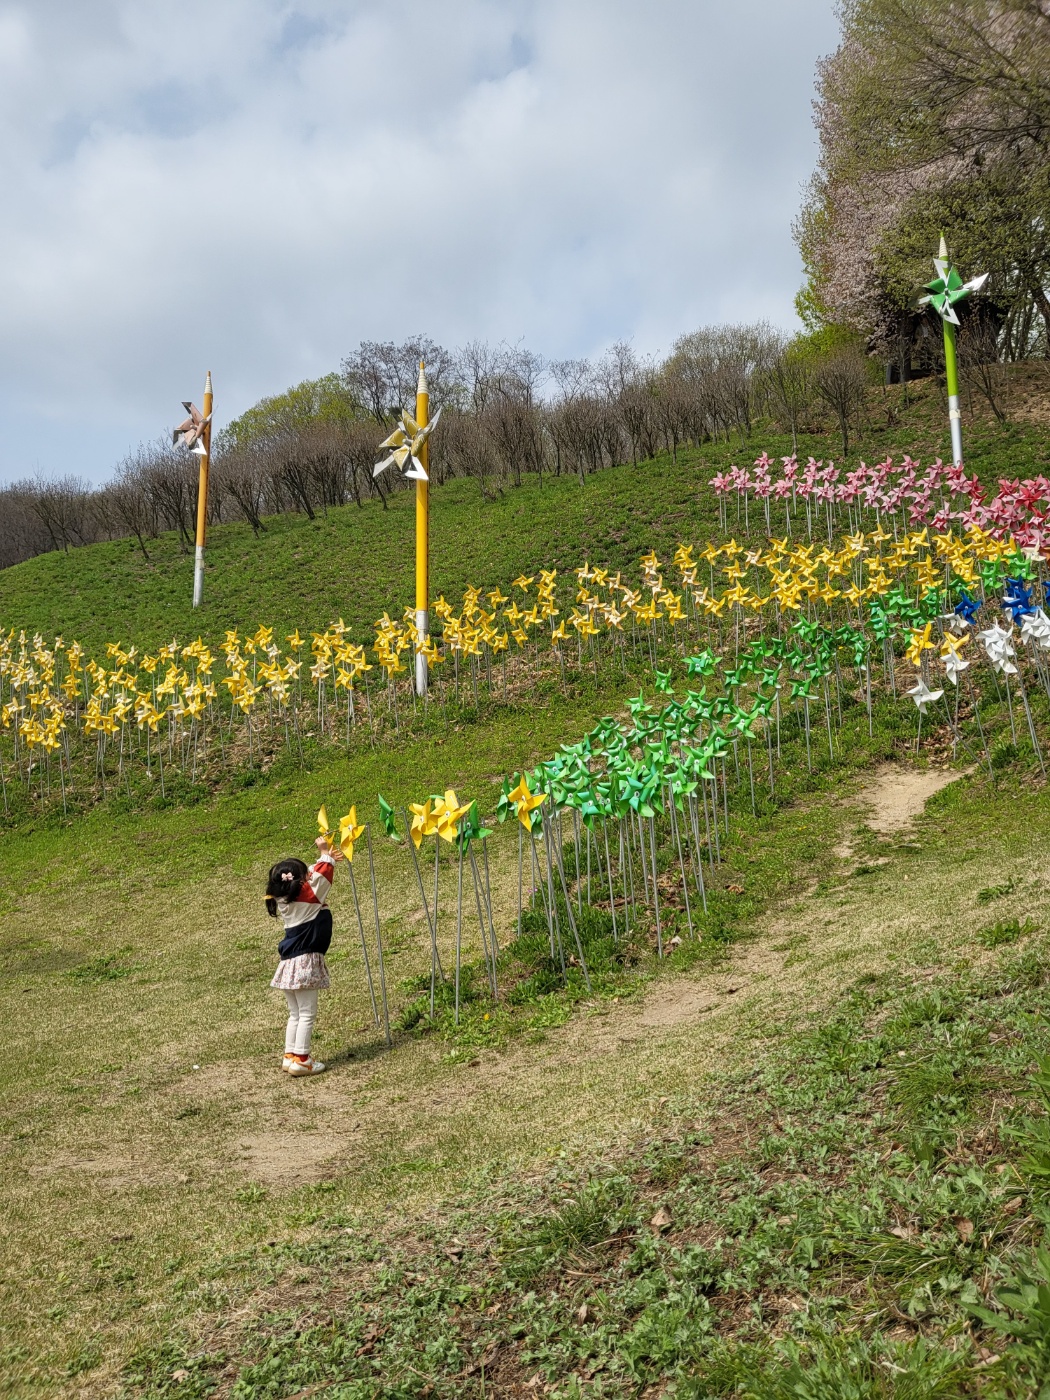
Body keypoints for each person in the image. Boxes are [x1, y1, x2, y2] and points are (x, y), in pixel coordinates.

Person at [265, 837, 340, 1077]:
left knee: (295, 1013)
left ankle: (290, 1056)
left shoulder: (283, 899)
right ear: (301, 881)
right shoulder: (310, 895)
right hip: (305, 961)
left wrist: (322, 858)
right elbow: (323, 873)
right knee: (307, 1013)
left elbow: (311, 873)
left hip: (288, 963)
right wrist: (324, 851)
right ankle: (303, 1061)